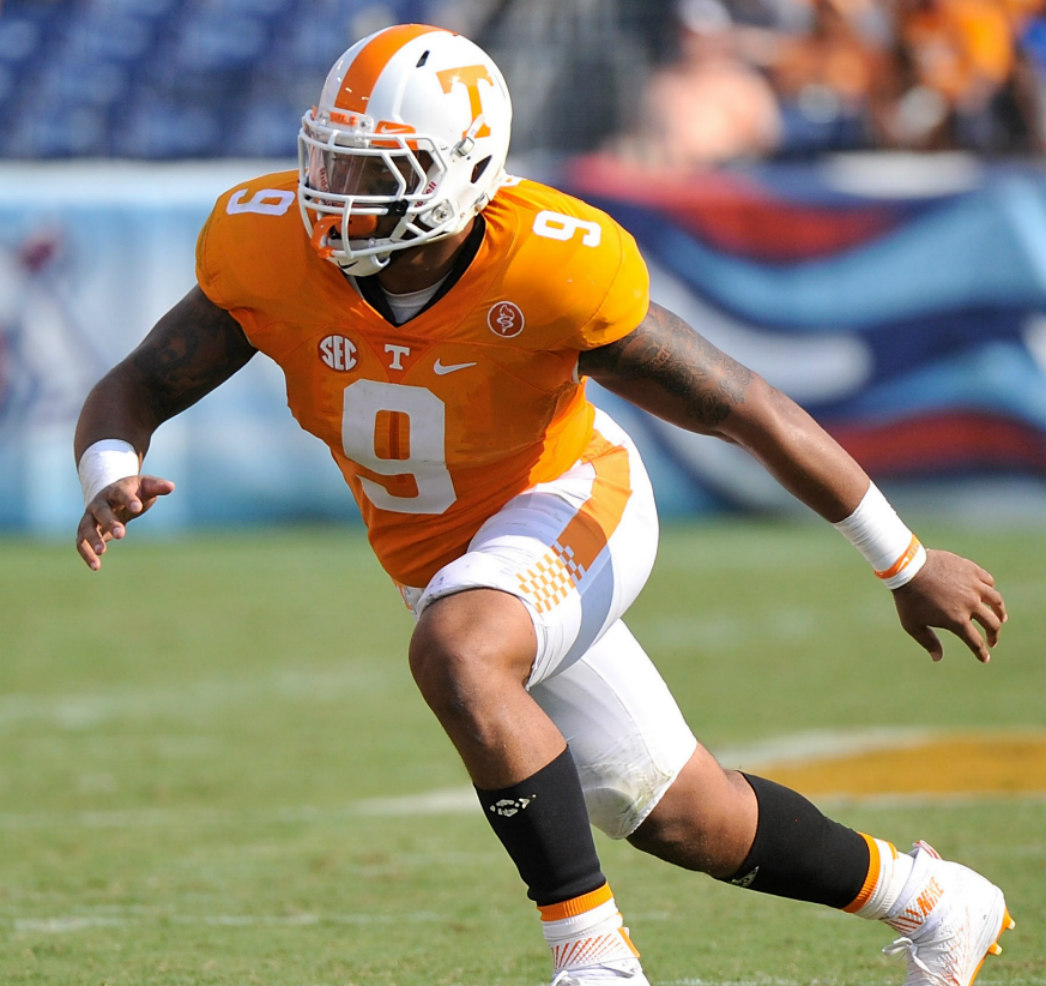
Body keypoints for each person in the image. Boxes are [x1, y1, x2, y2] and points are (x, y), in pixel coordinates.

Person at [73, 23, 1014, 986]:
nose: (338, 194)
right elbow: (139, 381)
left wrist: (904, 561)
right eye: (333, 161)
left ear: (466, 170)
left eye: (378, 172)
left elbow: (746, 408)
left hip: (568, 498)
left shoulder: (549, 265)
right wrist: (109, 468)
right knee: (685, 816)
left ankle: (594, 959)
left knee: (460, 650)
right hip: (441, 559)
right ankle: (935, 902)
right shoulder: (269, 248)